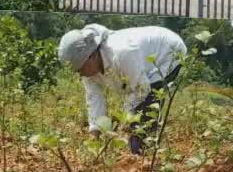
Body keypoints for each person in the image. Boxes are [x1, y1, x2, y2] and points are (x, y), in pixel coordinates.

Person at [57, 24, 187, 155]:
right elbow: (94, 100)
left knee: (143, 114)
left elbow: (142, 89)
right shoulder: (88, 72)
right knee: (132, 118)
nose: (81, 74)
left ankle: (145, 158)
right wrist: (95, 135)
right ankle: (140, 154)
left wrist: (124, 117)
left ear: (91, 56)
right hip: (141, 65)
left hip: (167, 53)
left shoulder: (122, 53)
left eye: (81, 69)